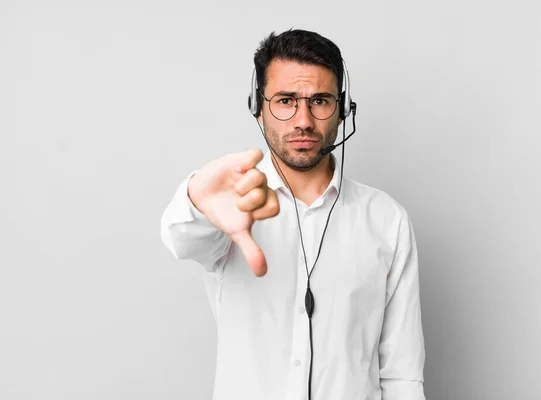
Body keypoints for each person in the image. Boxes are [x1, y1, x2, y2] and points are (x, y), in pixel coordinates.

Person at [160, 29, 426, 400]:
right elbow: (182, 238)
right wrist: (195, 199)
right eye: (286, 100)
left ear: (344, 108)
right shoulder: (234, 208)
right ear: (258, 106)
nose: (303, 120)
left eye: (319, 100)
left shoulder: (386, 220)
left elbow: (402, 374)